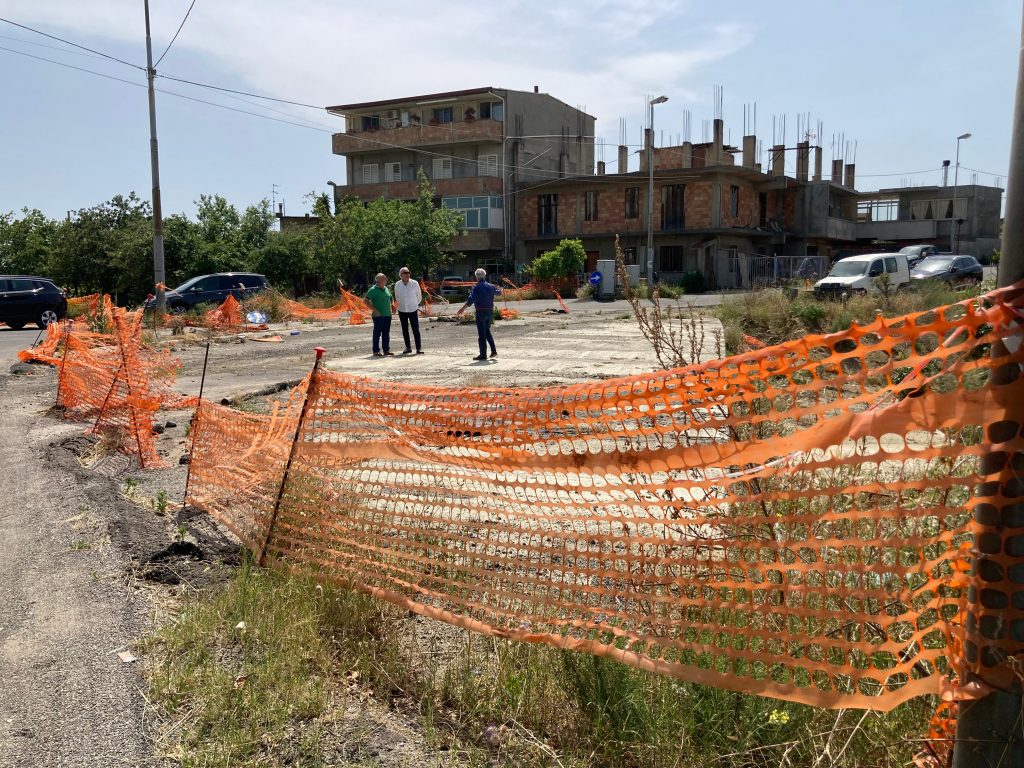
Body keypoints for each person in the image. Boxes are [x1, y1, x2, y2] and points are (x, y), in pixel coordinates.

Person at [456, 268, 502, 361]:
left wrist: (462, 309)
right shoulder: (491, 286)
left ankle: (483, 354)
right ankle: (493, 351)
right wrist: (500, 289)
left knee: (482, 335)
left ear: (476, 277)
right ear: (485, 276)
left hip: (480, 312)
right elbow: (499, 293)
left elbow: (470, 300)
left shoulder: (475, 288)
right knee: (487, 332)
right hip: (490, 312)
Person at [393, 266, 424, 354]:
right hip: (402, 310)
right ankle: (408, 347)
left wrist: (414, 304)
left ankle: (418, 348)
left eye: (408, 272)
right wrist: (400, 304)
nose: (407, 274)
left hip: (413, 309)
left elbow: (419, 296)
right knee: (405, 330)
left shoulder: (415, 283)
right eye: (405, 273)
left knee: (416, 330)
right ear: (401, 275)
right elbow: (397, 296)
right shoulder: (397, 284)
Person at [363, 273, 394, 356]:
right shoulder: (373, 290)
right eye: (384, 278)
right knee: (377, 333)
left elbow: (391, 297)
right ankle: (376, 351)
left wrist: (393, 305)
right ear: (378, 280)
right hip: (378, 316)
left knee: (386, 333)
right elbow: (365, 300)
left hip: (387, 314)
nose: (386, 280)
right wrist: (374, 310)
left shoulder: (386, 289)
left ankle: (386, 350)